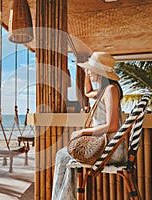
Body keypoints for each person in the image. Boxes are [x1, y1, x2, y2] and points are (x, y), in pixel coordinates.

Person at [52, 52, 127, 200]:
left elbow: (112, 126)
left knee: (63, 156)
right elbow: (87, 92)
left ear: (100, 72)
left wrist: (82, 132)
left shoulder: (111, 90)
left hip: (112, 148)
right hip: (104, 145)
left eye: (90, 70)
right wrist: (87, 72)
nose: (88, 72)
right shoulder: (103, 90)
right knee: (64, 156)